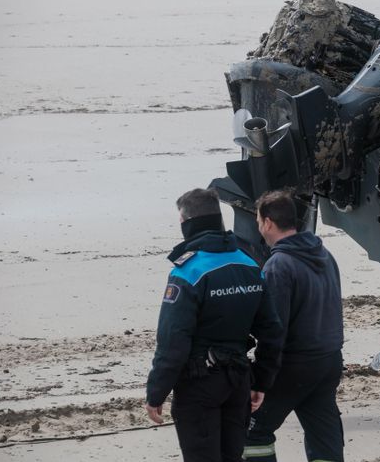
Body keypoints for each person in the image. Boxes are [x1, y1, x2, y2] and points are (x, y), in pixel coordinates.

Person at [145, 188, 284, 462]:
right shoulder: (249, 265)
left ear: (186, 223)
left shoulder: (188, 272)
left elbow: (173, 342)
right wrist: (262, 381)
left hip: (199, 384)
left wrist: (156, 392)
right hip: (238, 381)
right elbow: (272, 332)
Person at [243, 190, 345, 462]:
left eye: (257, 220)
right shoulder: (324, 254)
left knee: (252, 433)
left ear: (267, 223)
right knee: (324, 434)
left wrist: (260, 380)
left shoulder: (278, 266)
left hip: (294, 366)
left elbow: (273, 331)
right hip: (329, 361)